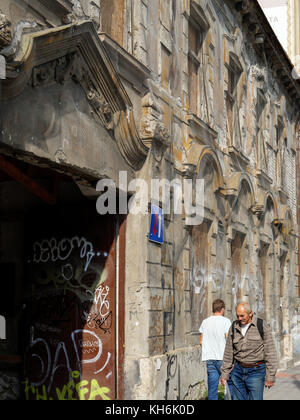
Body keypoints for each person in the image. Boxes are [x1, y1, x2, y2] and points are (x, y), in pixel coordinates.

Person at [220, 302, 278, 401]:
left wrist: (270, 376)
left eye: (242, 315)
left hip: (256, 371)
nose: (239, 318)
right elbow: (228, 352)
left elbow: (270, 351)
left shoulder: (261, 325)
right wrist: (224, 374)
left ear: (250, 313)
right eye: (237, 316)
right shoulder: (234, 326)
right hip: (237, 371)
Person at [199, 299, 232, 400]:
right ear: (222, 309)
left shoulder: (205, 322)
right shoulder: (226, 321)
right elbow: (228, 339)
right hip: (223, 358)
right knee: (230, 385)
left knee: (212, 389)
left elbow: (201, 341)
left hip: (209, 358)